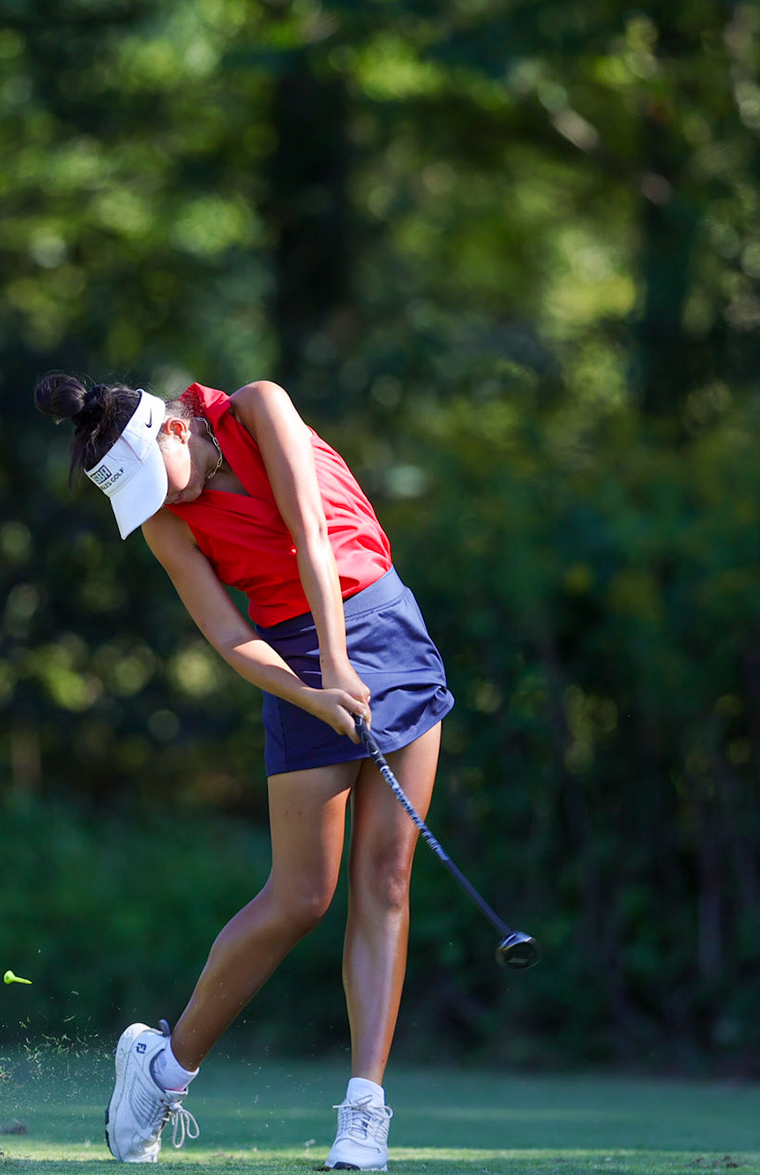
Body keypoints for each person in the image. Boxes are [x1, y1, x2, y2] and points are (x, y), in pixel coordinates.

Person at [33, 373, 455, 1170]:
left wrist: (343, 661)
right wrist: (312, 689)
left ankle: (365, 1112)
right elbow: (230, 638)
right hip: (296, 658)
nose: (162, 500)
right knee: (303, 895)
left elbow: (314, 534)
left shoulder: (260, 407)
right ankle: (164, 1065)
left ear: (171, 432)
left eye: (159, 481)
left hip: (383, 626)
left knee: (389, 878)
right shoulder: (165, 521)